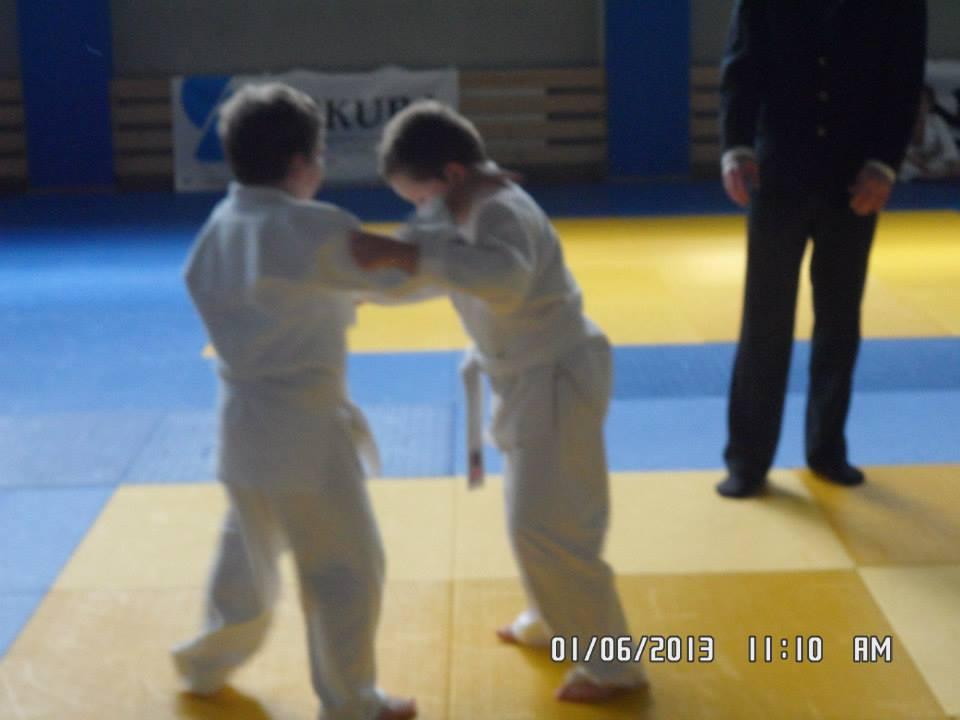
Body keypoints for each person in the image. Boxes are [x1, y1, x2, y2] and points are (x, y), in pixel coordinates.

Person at [349, 100, 647, 703]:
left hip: (557, 377)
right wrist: (348, 284)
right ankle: (552, 618)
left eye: (419, 196)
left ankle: (615, 666)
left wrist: (408, 256)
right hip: (525, 378)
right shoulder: (453, 208)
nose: (419, 209)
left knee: (552, 525)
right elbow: (417, 270)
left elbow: (503, 280)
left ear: (453, 173)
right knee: (531, 513)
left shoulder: (502, 209)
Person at [172, 82, 417, 720]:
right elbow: (397, 274)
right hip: (306, 436)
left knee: (247, 557)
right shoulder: (312, 226)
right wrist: (455, 237)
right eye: (320, 154)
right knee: (346, 567)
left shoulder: (221, 227)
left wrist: (332, 294)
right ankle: (352, 702)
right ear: (300, 162)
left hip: (241, 430)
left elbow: (269, 295)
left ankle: (205, 663)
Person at [717, 0, 927, 498]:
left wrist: (885, 163)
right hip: (777, 168)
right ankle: (747, 459)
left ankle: (827, 449)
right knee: (764, 319)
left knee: (839, 318)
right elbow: (741, 66)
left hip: (855, 175)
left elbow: (904, 79)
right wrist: (736, 147)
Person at [900, 85, 960, 181]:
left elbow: (948, 145)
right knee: (900, 166)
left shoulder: (936, 120)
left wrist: (955, 163)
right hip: (910, 162)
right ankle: (930, 175)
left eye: (923, 102)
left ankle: (930, 175)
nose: (919, 106)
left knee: (953, 164)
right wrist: (920, 163)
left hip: (933, 161)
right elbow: (899, 148)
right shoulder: (899, 122)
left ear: (929, 105)